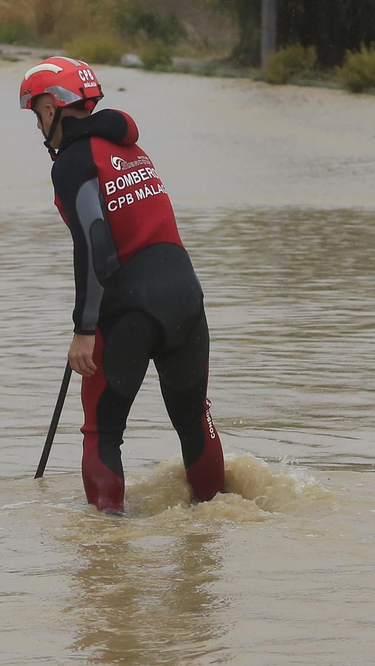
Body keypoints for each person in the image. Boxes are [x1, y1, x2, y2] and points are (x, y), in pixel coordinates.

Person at [20, 57, 225, 514]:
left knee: (103, 432)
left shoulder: (73, 162)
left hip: (128, 307)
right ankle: (214, 532)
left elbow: (95, 240)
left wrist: (84, 329)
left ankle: (106, 557)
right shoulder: (129, 148)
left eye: (36, 114)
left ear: (52, 109)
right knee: (194, 421)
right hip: (186, 297)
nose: (38, 126)